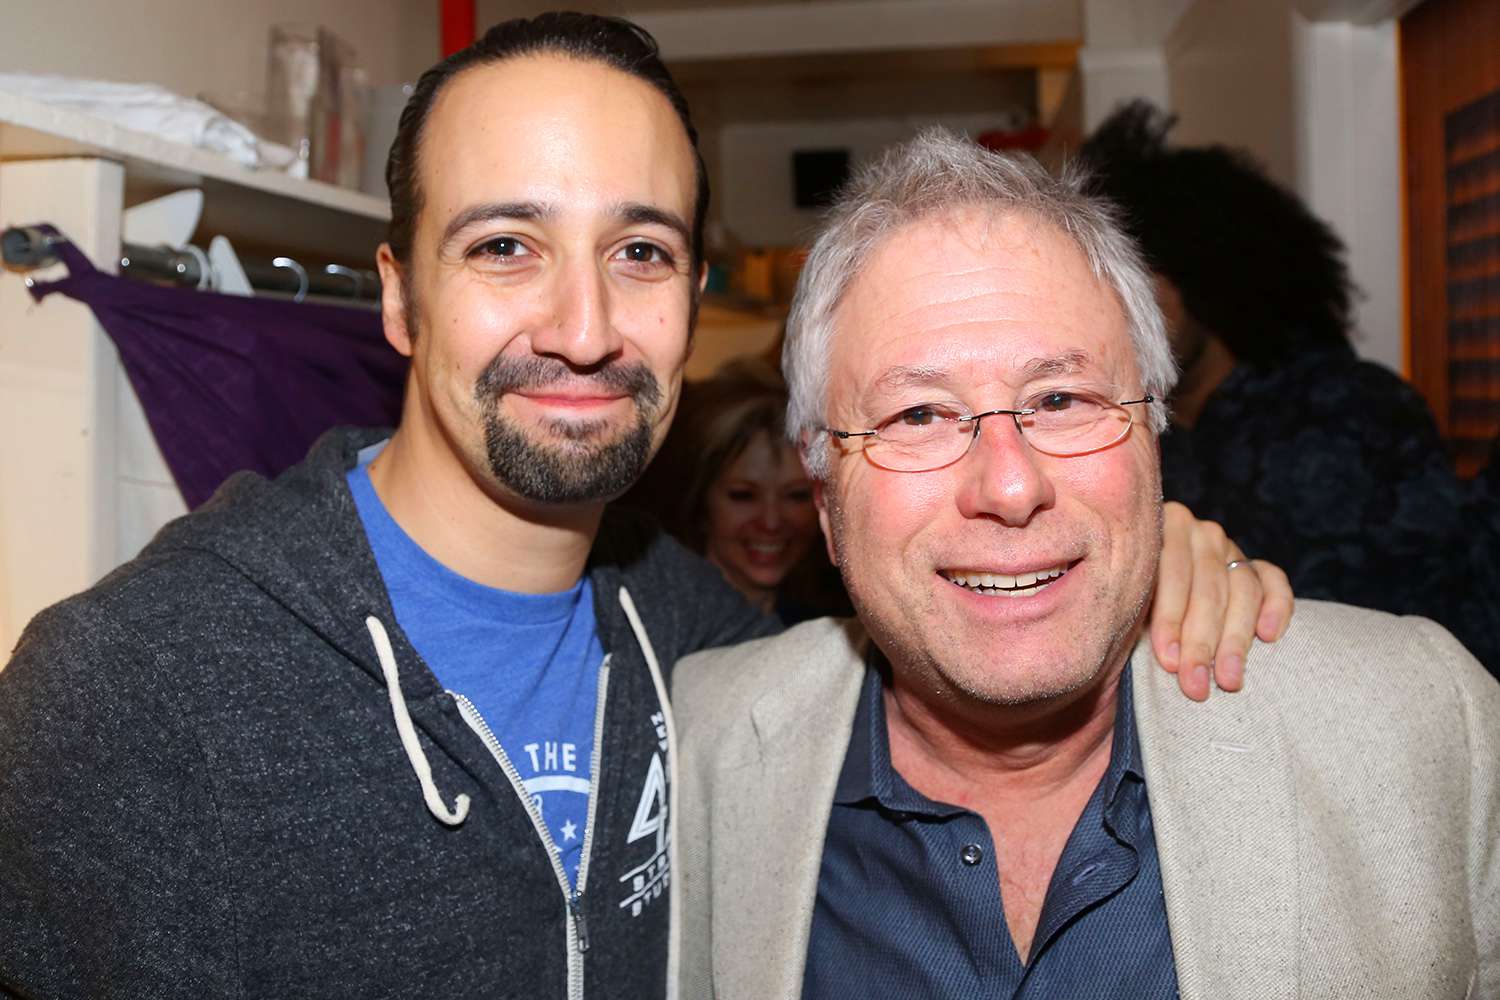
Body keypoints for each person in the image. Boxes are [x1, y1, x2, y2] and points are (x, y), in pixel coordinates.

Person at [0, 17, 1289, 1000]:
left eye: (641, 252)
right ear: (398, 297)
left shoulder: (714, 652)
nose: (582, 327)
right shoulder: (131, 685)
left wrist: (1149, 560)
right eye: (505, 245)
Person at [673, 129, 1500, 999]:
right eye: (919, 414)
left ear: (1153, 439)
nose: (1010, 483)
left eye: (1060, 400)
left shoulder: (1424, 726)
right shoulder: (699, 754)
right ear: (825, 495)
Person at [1079, 100, 1499, 673]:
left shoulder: (1354, 413)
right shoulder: (1128, 430)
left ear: (1206, 282)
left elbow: (1448, 626)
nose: (1127, 317)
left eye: (1144, 288)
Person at [626, 360, 838, 622]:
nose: (771, 521)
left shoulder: (828, 629)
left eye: (796, 495)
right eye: (743, 495)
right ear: (701, 501)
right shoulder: (652, 620)